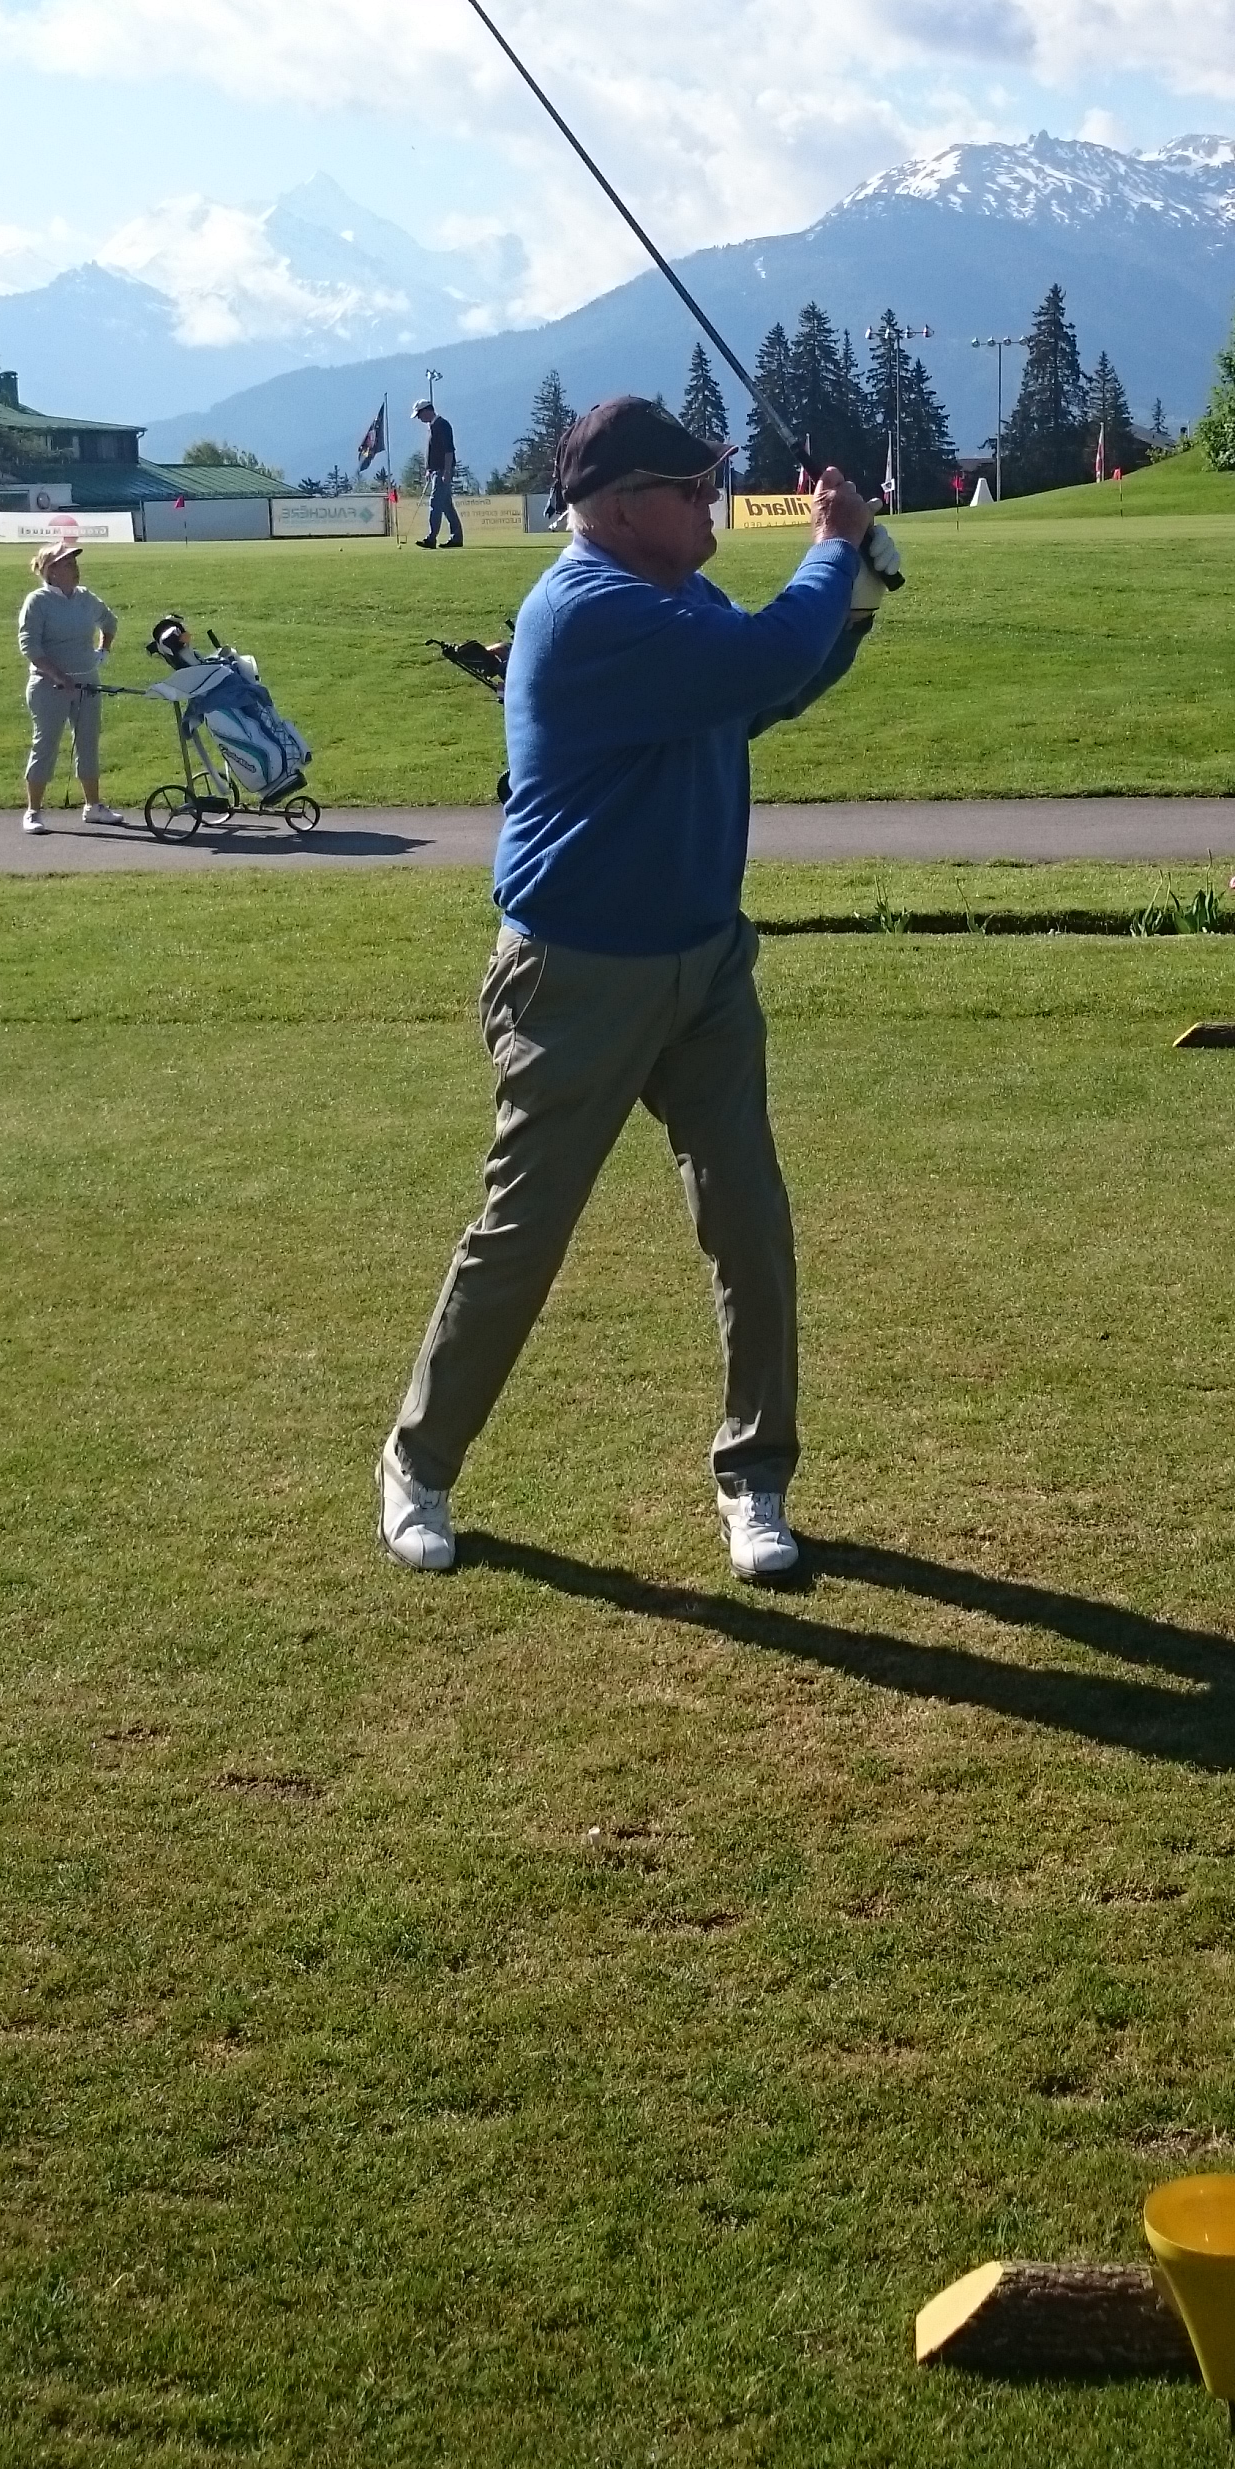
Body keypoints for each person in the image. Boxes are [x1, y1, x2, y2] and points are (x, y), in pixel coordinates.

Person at [377, 392, 883, 1586]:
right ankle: (418, 1463)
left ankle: (756, 1478)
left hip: (705, 960)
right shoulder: (586, 609)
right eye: (689, 487)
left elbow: (766, 689)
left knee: (749, 1221)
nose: (711, 501)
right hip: (577, 974)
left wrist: (855, 598)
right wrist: (834, 548)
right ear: (615, 508)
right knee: (525, 1231)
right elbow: (762, 656)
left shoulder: (679, 597)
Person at [17, 539, 120, 831]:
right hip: (48, 686)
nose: (75, 567)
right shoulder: (37, 601)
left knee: (88, 743)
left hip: (87, 682)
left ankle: (93, 806)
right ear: (51, 570)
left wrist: (103, 651)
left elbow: (109, 622)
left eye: (74, 562)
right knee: (45, 745)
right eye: (67, 563)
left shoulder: (85, 597)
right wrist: (60, 678)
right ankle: (33, 812)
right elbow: (30, 647)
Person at [412, 397, 462, 547]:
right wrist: (429, 469)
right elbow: (433, 451)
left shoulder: (442, 425)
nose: (419, 418)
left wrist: (446, 471)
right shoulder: (433, 427)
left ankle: (431, 538)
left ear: (427, 411)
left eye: (419, 415)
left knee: (435, 503)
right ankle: (457, 537)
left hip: (442, 471)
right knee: (446, 505)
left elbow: (449, 451)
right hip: (436, 470)